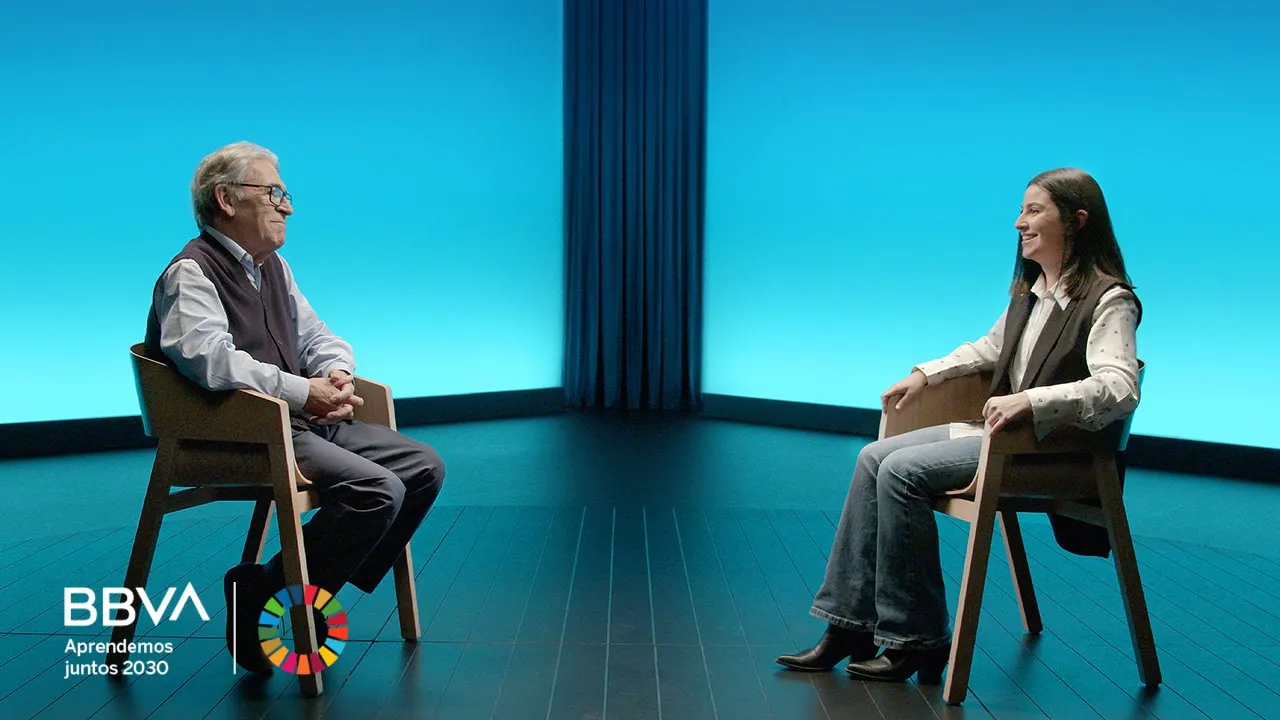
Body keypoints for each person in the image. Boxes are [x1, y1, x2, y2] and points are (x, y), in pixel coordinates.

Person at [776, 168, 1141, 683]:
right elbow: (988, 349)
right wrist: (925, 374)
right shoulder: (1033, 291)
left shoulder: (1110, 300)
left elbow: (1120, 387)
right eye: (1021, 210)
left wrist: (1031, 400)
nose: (1019, 223)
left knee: (901, 471)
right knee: (872, 457)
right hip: (1003, 438)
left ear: (1077, 221)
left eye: (1033, 211)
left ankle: (918, 638)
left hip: (1047, 451)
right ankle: (850, 625)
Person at [144, 141, 445, 674]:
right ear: (226, 199)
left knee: (423, 468)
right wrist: (305, 392)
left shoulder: (274, 268)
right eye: (273, 193)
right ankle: (291, 593)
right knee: (377, 491)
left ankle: (272, 589)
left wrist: (336, 374)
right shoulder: (191, 272)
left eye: (285, 194)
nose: (287, 207)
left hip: (297, 423)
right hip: (240, 434)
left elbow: (316, 336)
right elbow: (210, 362)